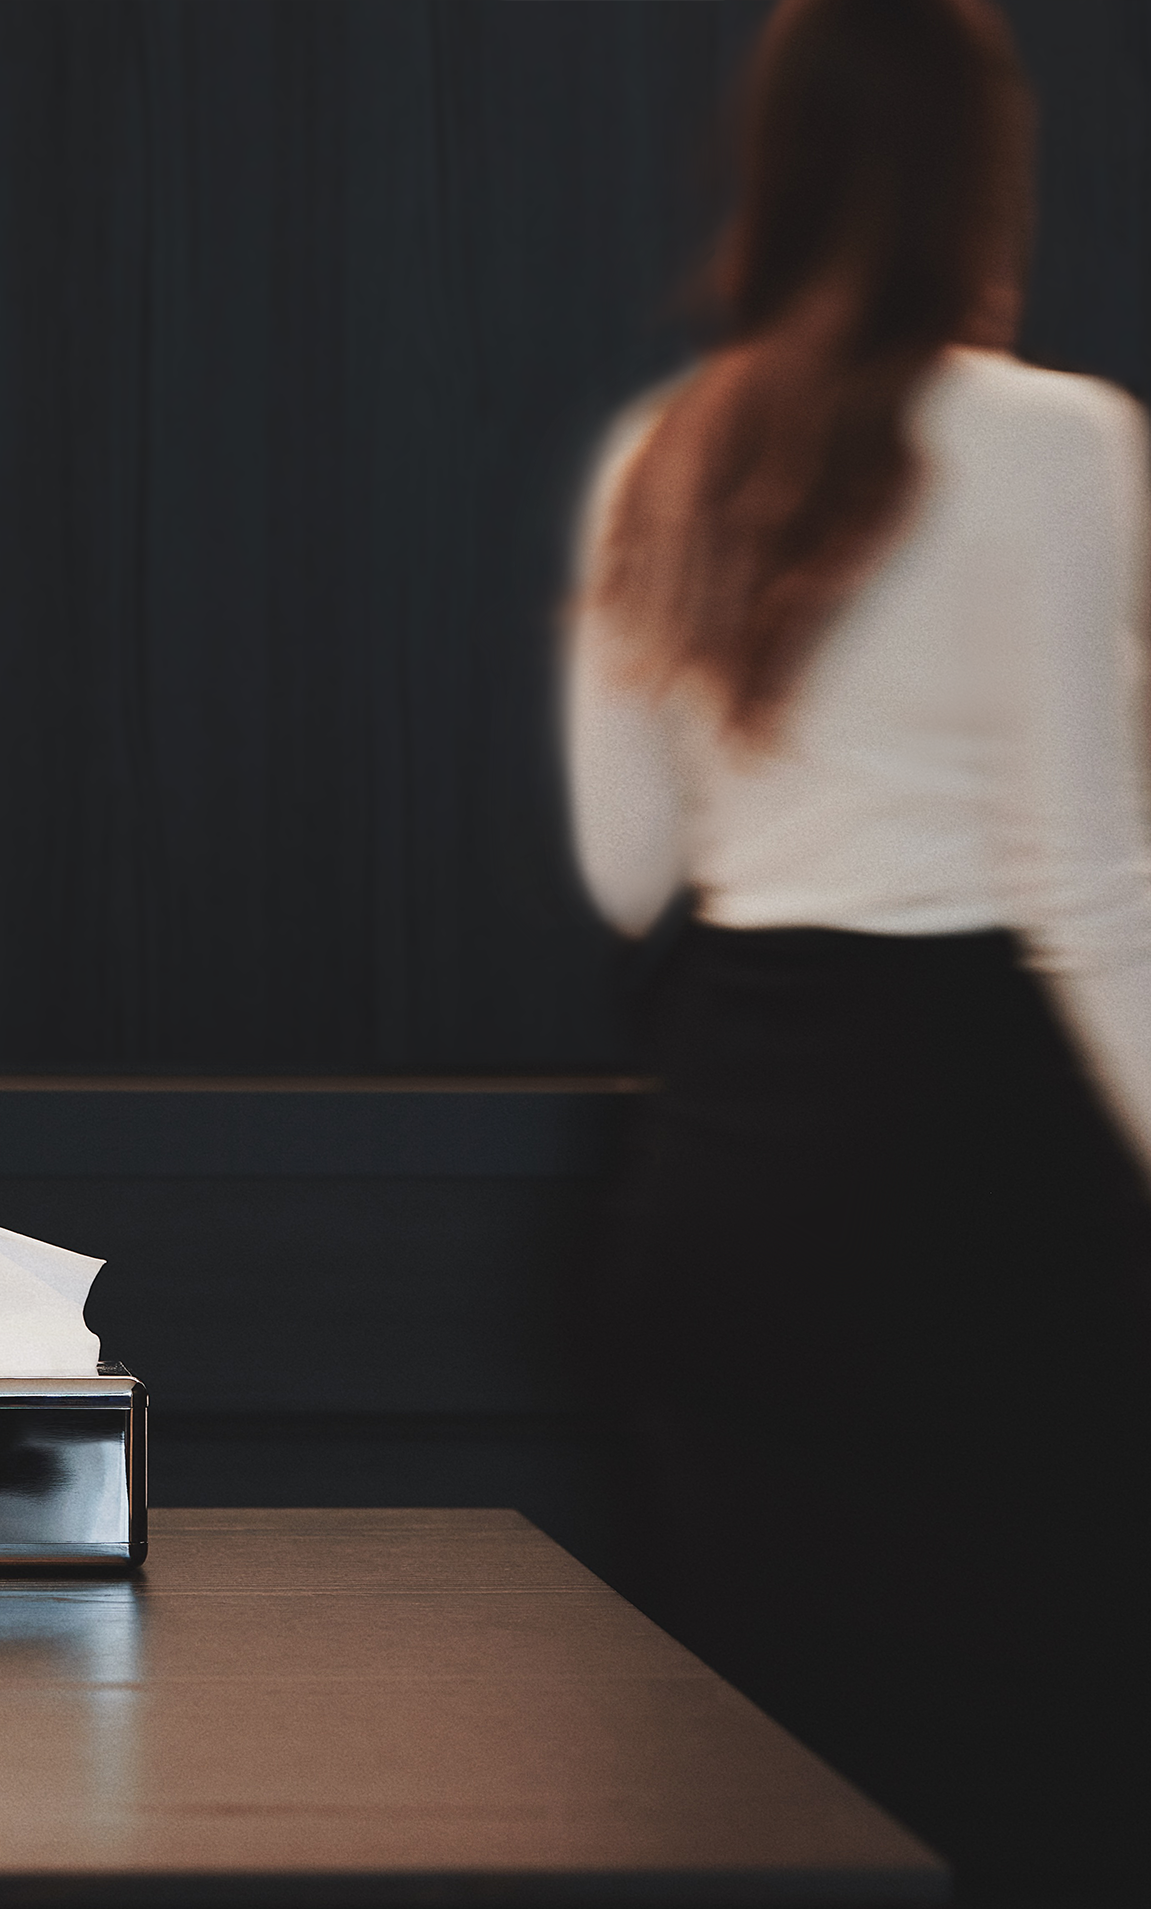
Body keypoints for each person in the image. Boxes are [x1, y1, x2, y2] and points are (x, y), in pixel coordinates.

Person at [562, 2, 1151, 1903]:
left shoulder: (660, 453)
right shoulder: (1055, 441)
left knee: (759, 1787)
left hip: (730, 1165)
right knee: (1028, 1779)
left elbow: (626, 870)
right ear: (986, 170)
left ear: (782, 162)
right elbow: (1095, 891)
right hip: (974, 1180)